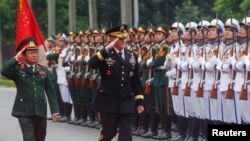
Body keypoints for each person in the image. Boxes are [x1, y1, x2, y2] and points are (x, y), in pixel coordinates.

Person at [88, 24, 144, 141]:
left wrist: (139, 101)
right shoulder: (104, 53)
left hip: (126, 101)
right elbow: (92, 64)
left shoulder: (132, 55)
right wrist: (107, 48)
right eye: (120, 38)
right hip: (109, 102)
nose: (123, 40)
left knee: (126, 136)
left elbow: (136, 80)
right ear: (111, 39)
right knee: (108, 134)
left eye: (125, 38)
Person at [1, 37, 59, 141]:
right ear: (23, 55)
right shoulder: (18, 70)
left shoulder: (43, 70)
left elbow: (51, 92)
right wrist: (16, 57)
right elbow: (4, 71)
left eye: (35, 52)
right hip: (24, 112)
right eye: (30, 52)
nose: (34, 55)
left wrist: (55, 111)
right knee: (29, 138)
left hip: (40, 111)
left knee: (40, 138)